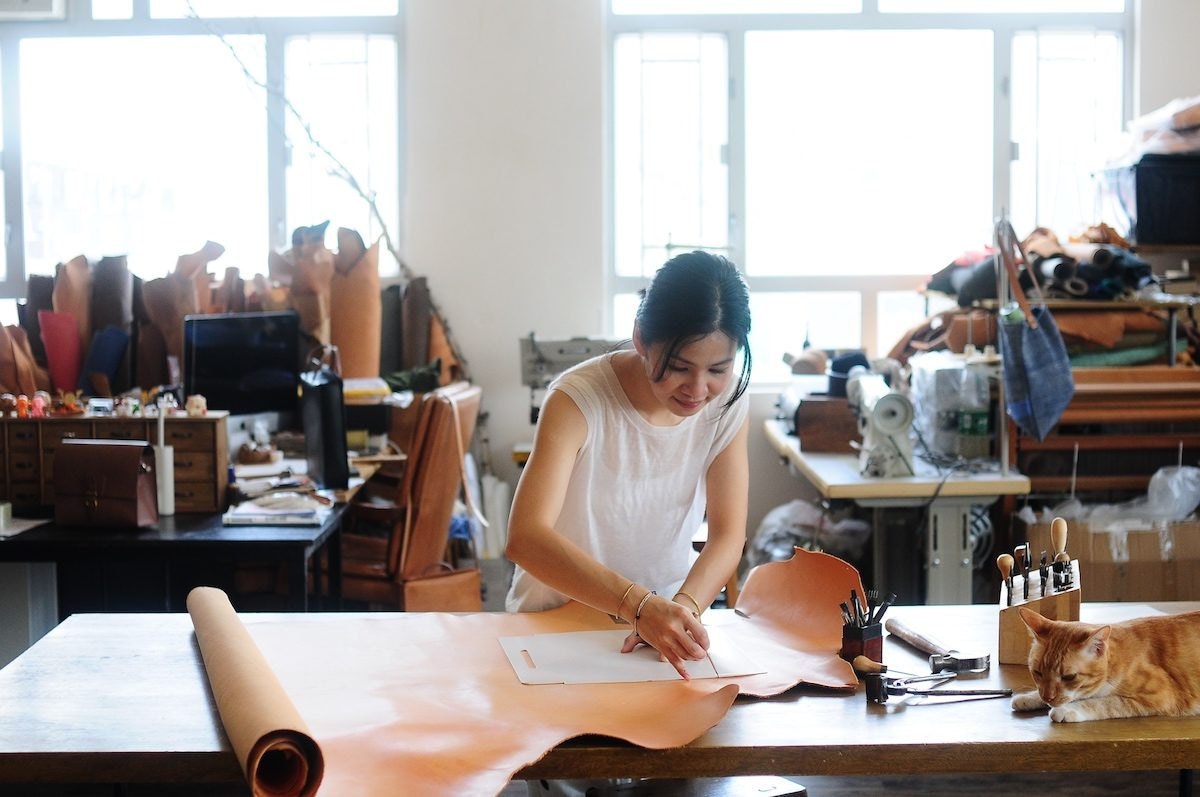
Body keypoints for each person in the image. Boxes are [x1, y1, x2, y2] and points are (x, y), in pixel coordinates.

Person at [505, 250, 752, 680]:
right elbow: (525, 537)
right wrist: (638, 606)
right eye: (678, 367)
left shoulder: (726, 402)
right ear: (641, 338)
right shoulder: (577, 399)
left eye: (719, 368)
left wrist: (683, 609)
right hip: (555, 623)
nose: (697, 389)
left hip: (658, 630)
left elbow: (729, 534)